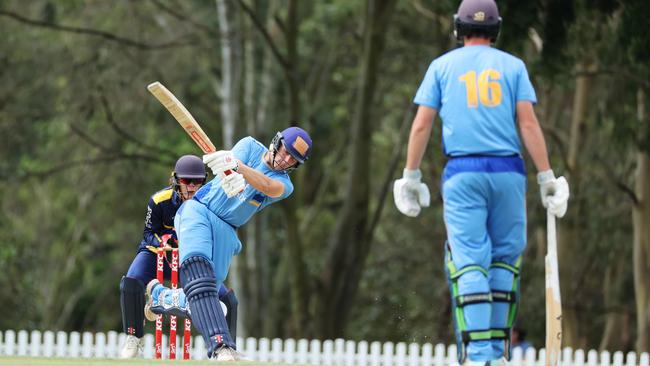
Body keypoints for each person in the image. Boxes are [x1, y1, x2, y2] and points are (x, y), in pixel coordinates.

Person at [392, 0, 569, 365]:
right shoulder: (514, 66)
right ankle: (499, 355)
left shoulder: (442, 66)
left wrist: (411, 175)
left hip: (464, 173)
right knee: (504, 261)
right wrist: (546, 175)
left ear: (459, 28)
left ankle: (477, 356)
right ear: (496, 29)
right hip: (509, 172)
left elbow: (422, 124)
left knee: (471, 262)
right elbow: (529, 124)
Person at [146, 126, 312, 361]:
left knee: (204, 295)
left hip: (227, 231)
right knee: (198, 274)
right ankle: (221, 346)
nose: (285, 160)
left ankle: (159, 297)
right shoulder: (249, 146)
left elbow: (266, 186)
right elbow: (229, 165)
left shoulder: (285, 185)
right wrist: (228, 169)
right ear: (277, 142)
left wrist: (238, 169)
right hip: (200, 211)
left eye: (293, 160)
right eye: (285, 152)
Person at [119, 155, 238, 359]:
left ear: (204, 181)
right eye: (186, 181)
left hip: (190, 260)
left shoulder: (211, 204)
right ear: (175, 180)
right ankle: (133, 338)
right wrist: (165, 242)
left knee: (228, 299)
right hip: (157, 254)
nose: (191, 187)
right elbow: (148, 234)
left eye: (197, 181)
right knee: (130, 282)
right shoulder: (158, 201)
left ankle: (227, 348)